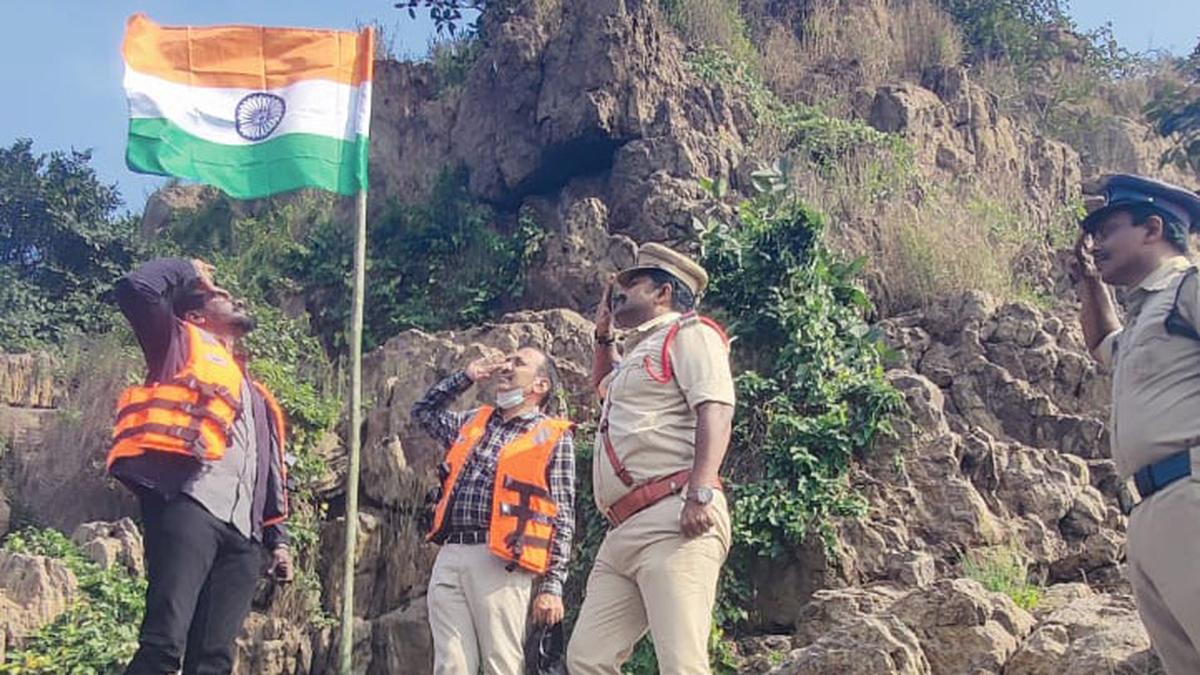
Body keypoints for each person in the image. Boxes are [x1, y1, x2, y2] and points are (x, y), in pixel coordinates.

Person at [108, 257, 293, 675]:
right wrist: (188, 269)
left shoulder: (258, 395)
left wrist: (277, 539)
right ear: (196, 315)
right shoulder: (175, 343)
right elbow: (136, 289)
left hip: (244, 538)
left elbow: (272, 474)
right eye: (219, 296)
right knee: (163, 643)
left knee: (214, 659)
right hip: (189, 505)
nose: (232, 297)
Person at [566, 243, 735, 674]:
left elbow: (715, 408)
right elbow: (606, 387)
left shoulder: (690, 334)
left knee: (681, 662)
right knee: (587, 659)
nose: (617, 292)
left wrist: (700, 492)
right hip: (623, 529)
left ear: (663, 293)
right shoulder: (639, 351)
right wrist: (603, 336)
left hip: (673, 513)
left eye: (631, 283)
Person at [1071, 173, 1200, 675]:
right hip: (1150, 513)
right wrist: (1088, 282)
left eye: (1107, 231)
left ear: (1152, 228)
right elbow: (1107, 346)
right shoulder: (1149, 312)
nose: (1097, 244)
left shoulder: (1189, 288)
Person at [413, 346, 576, 675]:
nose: (507, 366)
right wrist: (467, 377)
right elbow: (423, 413)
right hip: (452, 550)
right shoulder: (474, 421)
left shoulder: (551, 436)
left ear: (540, 386)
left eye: (519, 363)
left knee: (500, 664)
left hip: (502, 560)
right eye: (508, 360)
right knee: (450, 665)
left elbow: (561, 516)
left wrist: (552, 586)